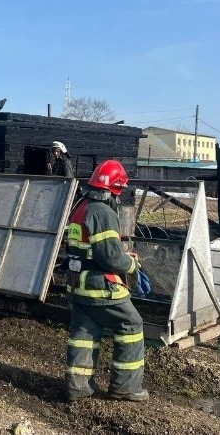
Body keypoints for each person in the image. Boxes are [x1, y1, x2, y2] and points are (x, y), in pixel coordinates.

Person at [64, 159, 148, 402]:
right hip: (100, 288)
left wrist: (121, 255)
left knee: (83, 334)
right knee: (131, 324)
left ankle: (77, 388)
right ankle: (126, 387)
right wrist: (132, 265)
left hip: (78, 286)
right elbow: (110, 258)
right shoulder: (103, 212)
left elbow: (90, 249)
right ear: (116, 189)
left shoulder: (81, 208)